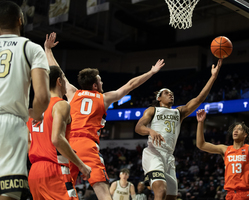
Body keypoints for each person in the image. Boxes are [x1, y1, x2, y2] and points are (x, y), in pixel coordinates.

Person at [44, 32, 165, 200]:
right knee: (103, 193)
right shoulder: (104, 97)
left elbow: (60, 74)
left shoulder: (72, 93)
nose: (102, 83)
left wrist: (47, 50)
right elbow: (130, 85)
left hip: (67, 144)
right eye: (100, 81)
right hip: (87, 144)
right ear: (95, 85)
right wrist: (151, 72)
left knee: (63, 193)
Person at [135, 58, 222, 200]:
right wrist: (150, 131)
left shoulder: (178, 112)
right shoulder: (153, 110)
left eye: (172, 93)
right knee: (161, 191)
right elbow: (138, 127)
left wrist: (213, 77)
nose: (171, 94)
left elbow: (199, 99)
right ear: (159, 97)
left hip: (169, 157)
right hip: (154, 153)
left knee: (172, 197)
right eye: (167, 93)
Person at [0, 1, 50, 200]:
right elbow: (42, 96)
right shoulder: (31, 48)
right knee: (8, 192)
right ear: (20, 20)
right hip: (11, 125)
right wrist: (36, 114)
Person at [27, 65, 92, 200]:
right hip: (55, 171)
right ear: (59, 81)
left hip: (34, 171)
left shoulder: (34, 110)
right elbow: (56, 139)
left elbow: (28, 142)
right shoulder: (61, 104)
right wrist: (82, 166)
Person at [196, 109, 249, 200]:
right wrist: (200, 122)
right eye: (234, 129)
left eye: (239, 129)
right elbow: (201, 145)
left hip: (245, 194)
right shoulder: (225, 149)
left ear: (245, 135)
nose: (235, 131)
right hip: (230, 194)